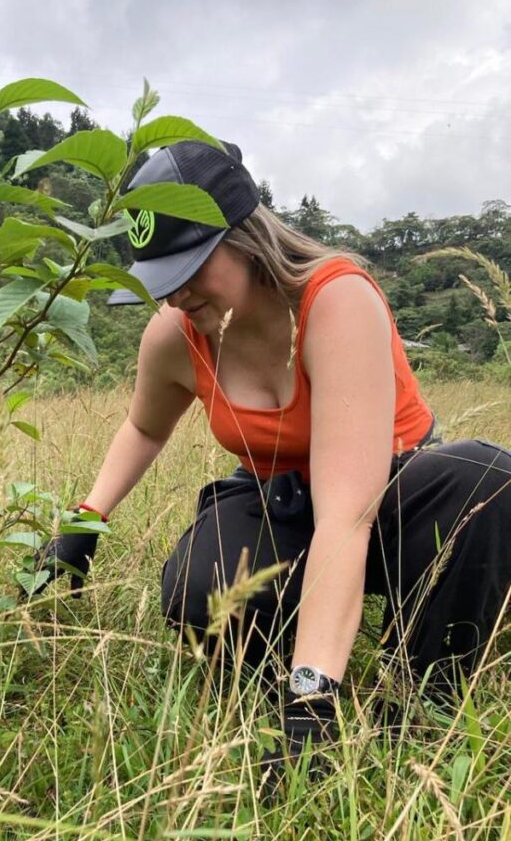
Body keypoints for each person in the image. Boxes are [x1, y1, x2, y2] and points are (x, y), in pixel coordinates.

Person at [37, 139, 511, 769]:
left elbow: (348, 518)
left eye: (188, 270)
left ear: (243, 237)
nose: (176, 296)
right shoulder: (176, 334)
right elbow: (144, 428)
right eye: (161, 281)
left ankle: (420, 703)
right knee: (198, 586)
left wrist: (309, 699)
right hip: (283, 495)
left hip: (394, 493)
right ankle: (281, 686)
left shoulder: (335, 300)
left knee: (488, 480)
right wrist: (83, 522)